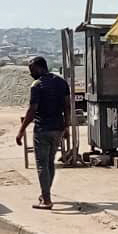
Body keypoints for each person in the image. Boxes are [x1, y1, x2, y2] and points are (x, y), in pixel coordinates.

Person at [16, 56, 71, 210]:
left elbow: (32, 110)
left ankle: (46, 199)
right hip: (58, 128)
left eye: (32, 70)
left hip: (42, 130)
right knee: (49, 163)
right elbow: (67, 107)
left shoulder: (37, 85)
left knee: (42, 165)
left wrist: (21, 131)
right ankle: (45, 194)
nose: (31, 73)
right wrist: (67, 127)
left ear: (40, 68)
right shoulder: (61, 82)